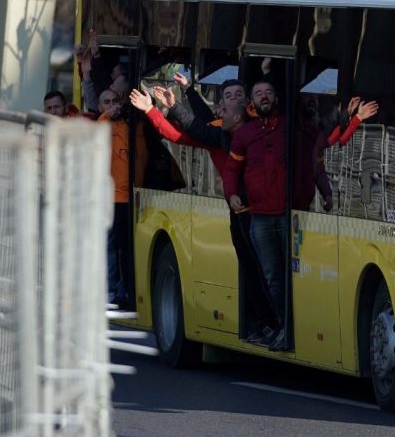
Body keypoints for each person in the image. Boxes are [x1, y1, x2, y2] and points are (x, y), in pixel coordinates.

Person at [131, 80, 281, 345]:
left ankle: (273, 324)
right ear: (221, 107)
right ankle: (264, 324)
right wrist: (152, 110)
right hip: (238, 210)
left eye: (238, 95)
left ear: (246, 104)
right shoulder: (219, 133)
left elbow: (196, 122)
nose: (232, 100)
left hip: (261, 210)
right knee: (249, 269)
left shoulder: (255, 129)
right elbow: (184, 132)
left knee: (264, 271)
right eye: (227, 97)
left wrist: (181, 99)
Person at [223, 79, 292, 352]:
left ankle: (287, 328)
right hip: (260, 217)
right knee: (271, 276)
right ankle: (277, 328)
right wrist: (232, 195)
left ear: (276, 97)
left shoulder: (288, 127)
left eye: (269, 91)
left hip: (287, 215)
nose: (265, 96)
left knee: (289, 276)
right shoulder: (244, 134)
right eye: (259, 93)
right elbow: (231, 170)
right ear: (252, 101)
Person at [100, 88, 147, 308]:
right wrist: (108, 115)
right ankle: (111, 288)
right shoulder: (102, 126)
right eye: (106, 103)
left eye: (115, 101)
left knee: (128, 248)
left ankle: (126, 288)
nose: (112, 105)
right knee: (112, 247)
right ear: (100, 108)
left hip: (135, 197)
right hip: (111, 199)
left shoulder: (133, 127)